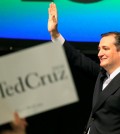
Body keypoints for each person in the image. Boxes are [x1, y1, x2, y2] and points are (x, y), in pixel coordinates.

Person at [48, 2, 120, 134]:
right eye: (99, 49)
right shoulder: (101, 74)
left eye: (105, 49)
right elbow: (77, 58)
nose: (99, 54)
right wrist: (55, 34)